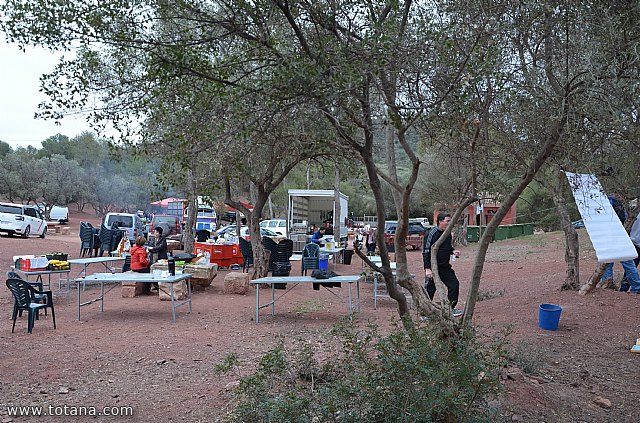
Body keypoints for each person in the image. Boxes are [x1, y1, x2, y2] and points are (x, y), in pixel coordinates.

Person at [423, 213, 463, 317]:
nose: (450, 223)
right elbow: (426, 251)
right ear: (440, 221)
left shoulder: (447, 234)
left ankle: (451, 309)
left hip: (445, 267)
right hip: (433, 268)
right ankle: (424, 313)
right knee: (430, 291)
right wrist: (427, 269)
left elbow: (447, 247)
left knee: (454, 285)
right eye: (447, 221)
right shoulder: (431, 234)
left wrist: (453, 251)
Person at [599, 196, 640, 292]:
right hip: (622, 236)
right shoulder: (620, 205)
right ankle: (635, 287)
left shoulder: (607, 203)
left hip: (609, 237)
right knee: (628, 263)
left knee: (609, 262)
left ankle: (608, 284)